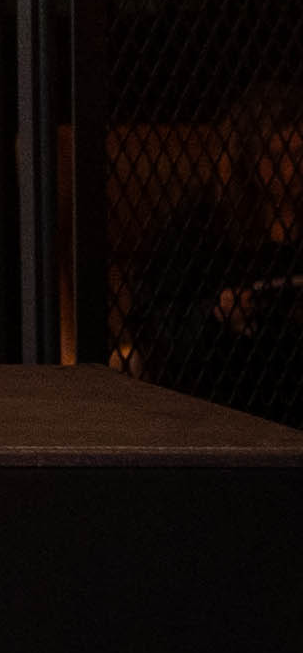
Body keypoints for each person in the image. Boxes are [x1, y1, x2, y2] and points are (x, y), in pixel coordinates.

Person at [128, 77, 303, 426]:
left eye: (300, 155)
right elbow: (152, 322)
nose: (292, 169)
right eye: (278, 155)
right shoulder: (200, 226)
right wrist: (214, 314)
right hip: (225, 399)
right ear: (247, 157)